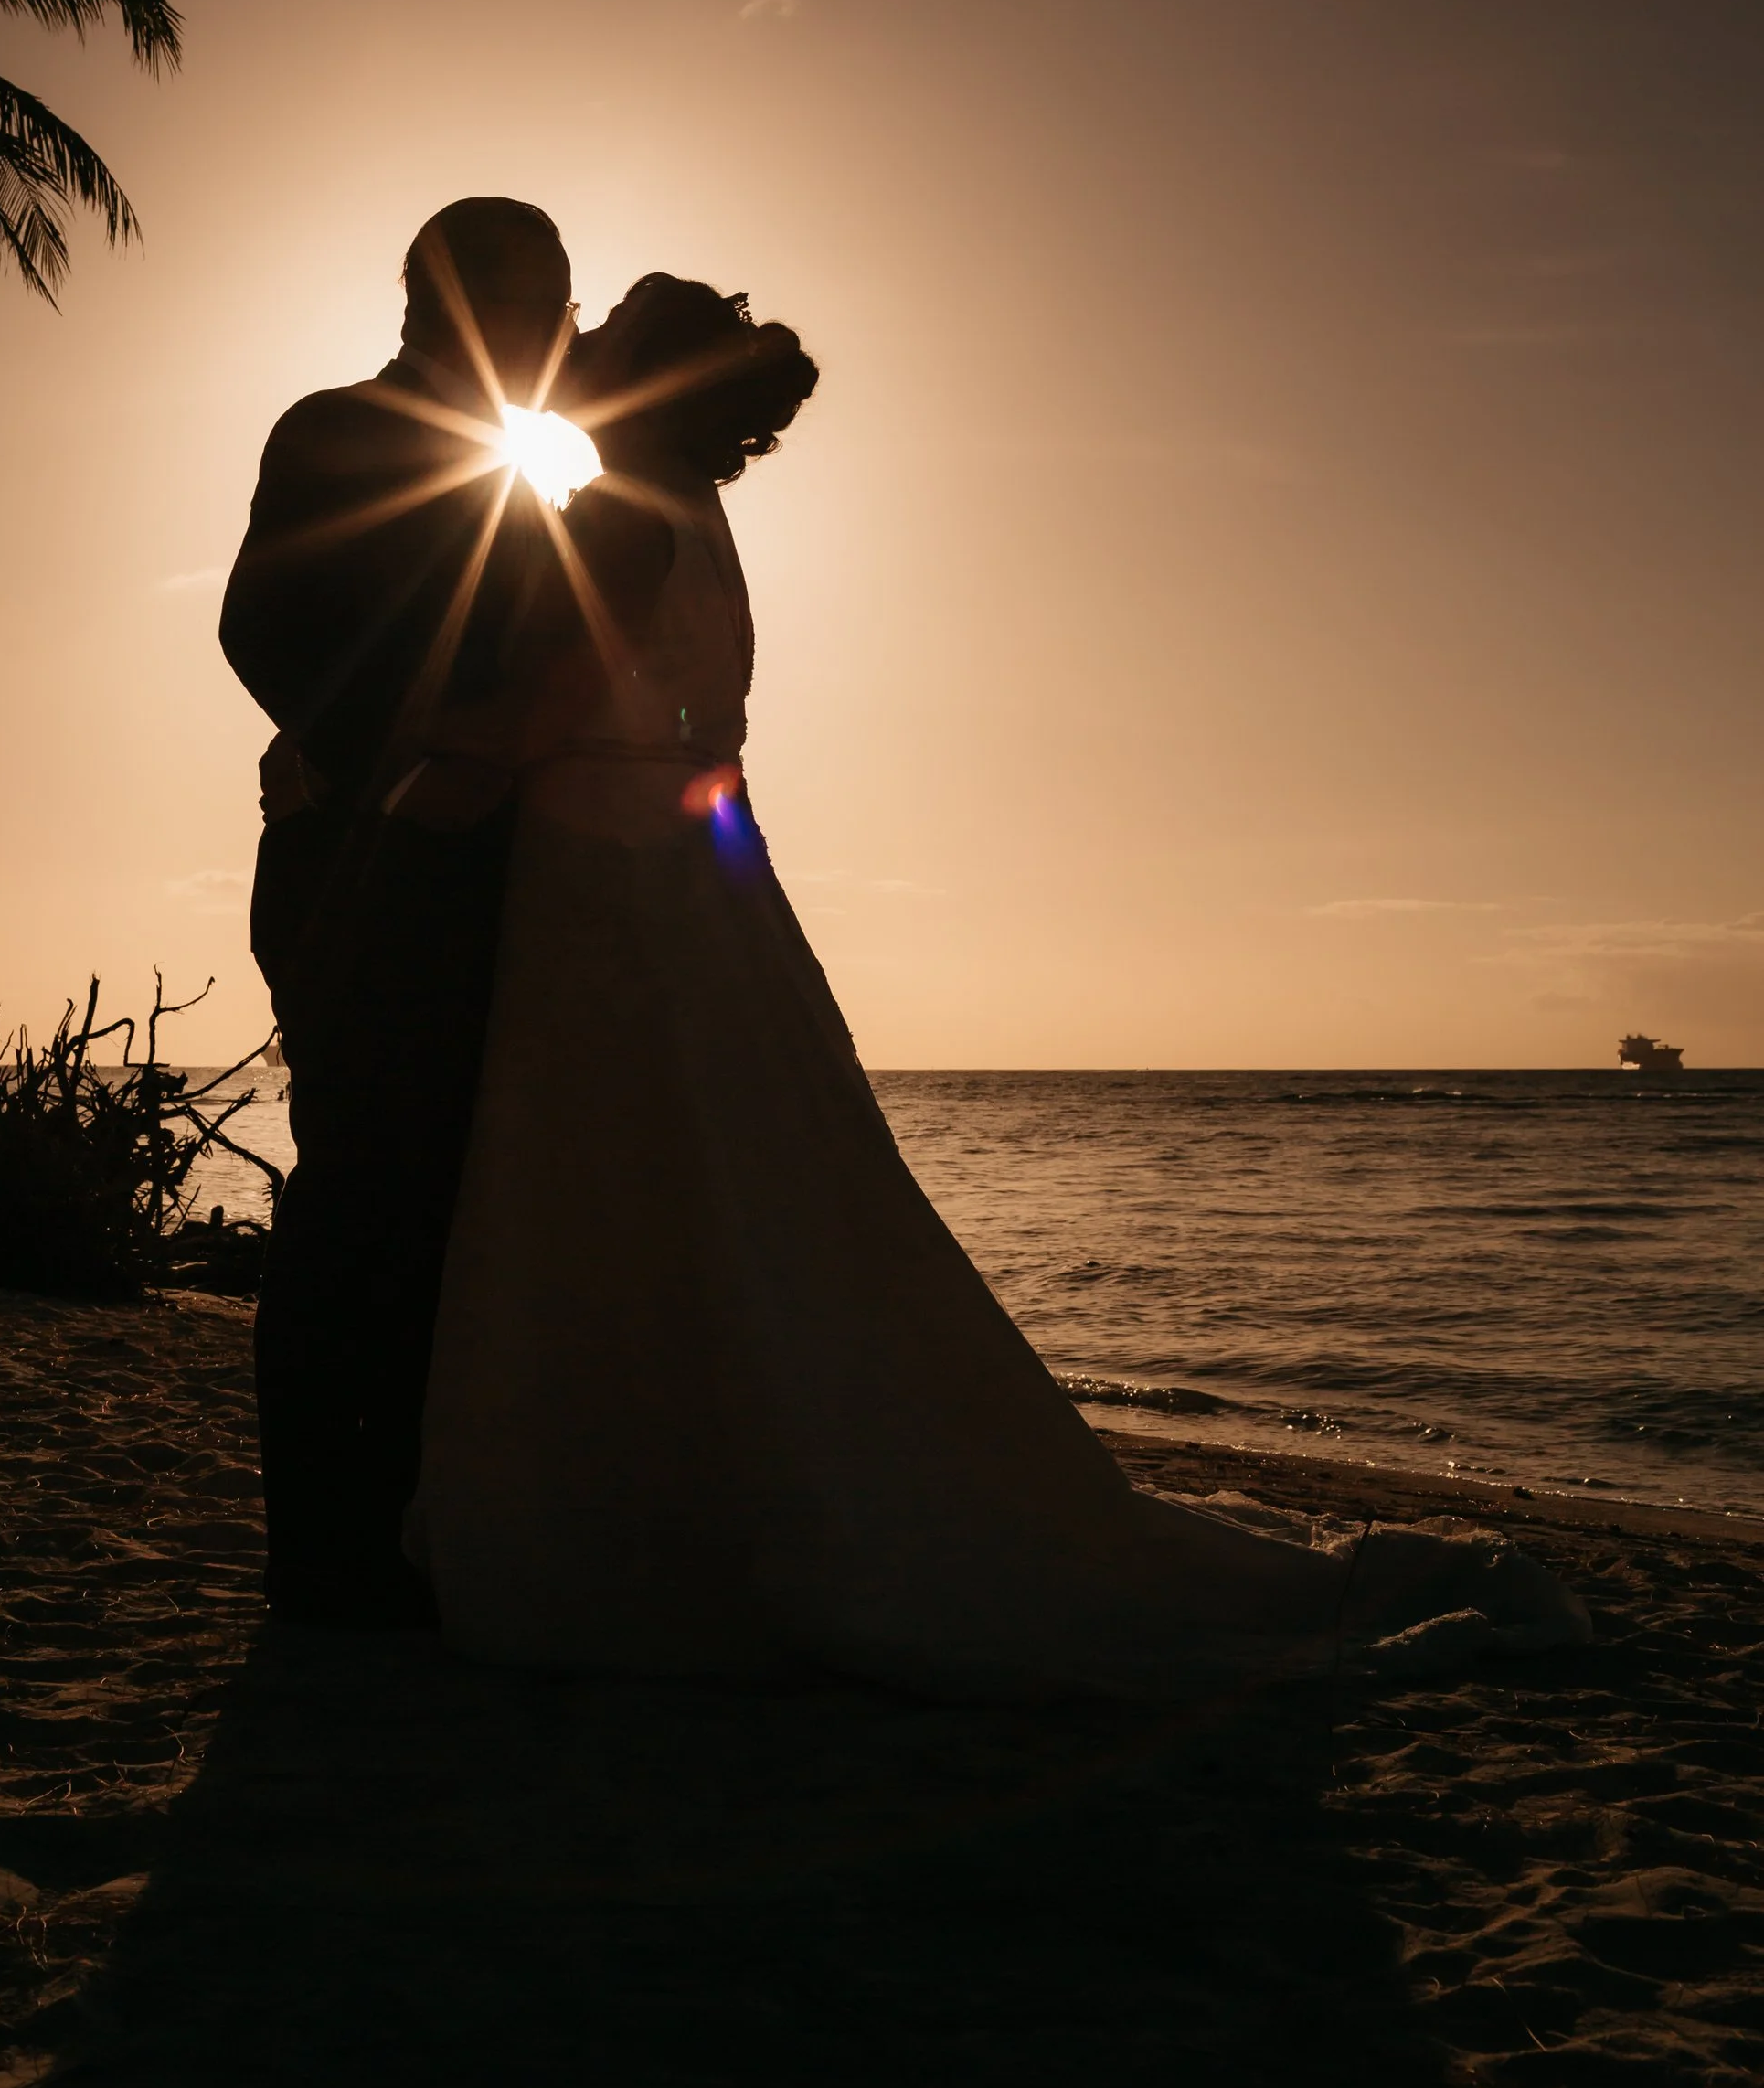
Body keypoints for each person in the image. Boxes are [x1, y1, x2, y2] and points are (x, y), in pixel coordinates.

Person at [410, 272, 1591, 1694]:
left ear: (643, 378)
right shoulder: (692, 515)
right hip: (699, 887)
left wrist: (410, 782)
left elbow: (544, 709)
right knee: (738, 1200)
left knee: (638, 1190)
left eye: (602, 335)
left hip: (614, 895)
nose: (575, 345)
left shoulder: (611, 514)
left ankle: (644, 1527)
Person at [220, 197, 576, 1625]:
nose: (561, 321)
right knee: (360, 1185)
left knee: (435, 1200)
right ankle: (325, 1550)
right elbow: (262, 624)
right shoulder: (334, 431)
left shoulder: (522, 471)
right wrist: (398, 766)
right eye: (546, 294)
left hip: (474, 866)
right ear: (457, 302)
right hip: (354, 865)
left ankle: (406, 1523)